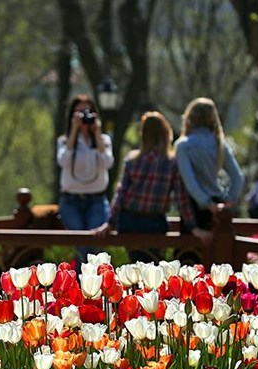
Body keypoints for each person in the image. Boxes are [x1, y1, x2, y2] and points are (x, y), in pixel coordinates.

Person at [94, 111, 212, 263]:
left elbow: (121, 194)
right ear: (166, 133)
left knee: (138, 262)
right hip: (154, 223)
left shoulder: (132, 160)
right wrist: (193, 227)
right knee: (152, 264)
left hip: (128, 221)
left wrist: (110, 223)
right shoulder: (172, 163)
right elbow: (181, 200)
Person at [57, 94, 115, 269]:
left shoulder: (103, 140)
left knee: (93, 245)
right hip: (71, 201)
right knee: (81, 245)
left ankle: (91, 287)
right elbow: (63, 161)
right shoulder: (64, 141)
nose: (85, 116)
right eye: (80, 112)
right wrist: (74, 132)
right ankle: (81, 289)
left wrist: (97, 134)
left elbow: (108, 162)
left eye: (88, 112)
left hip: (96, 200)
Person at [174, 97, 245, 231]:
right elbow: (238, 177)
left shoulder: (183, 146)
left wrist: (206, 203)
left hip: (194, 207)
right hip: (218, 203)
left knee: (189, 251)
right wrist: (228, 201)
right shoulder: (219, 144)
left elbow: (190, 181)